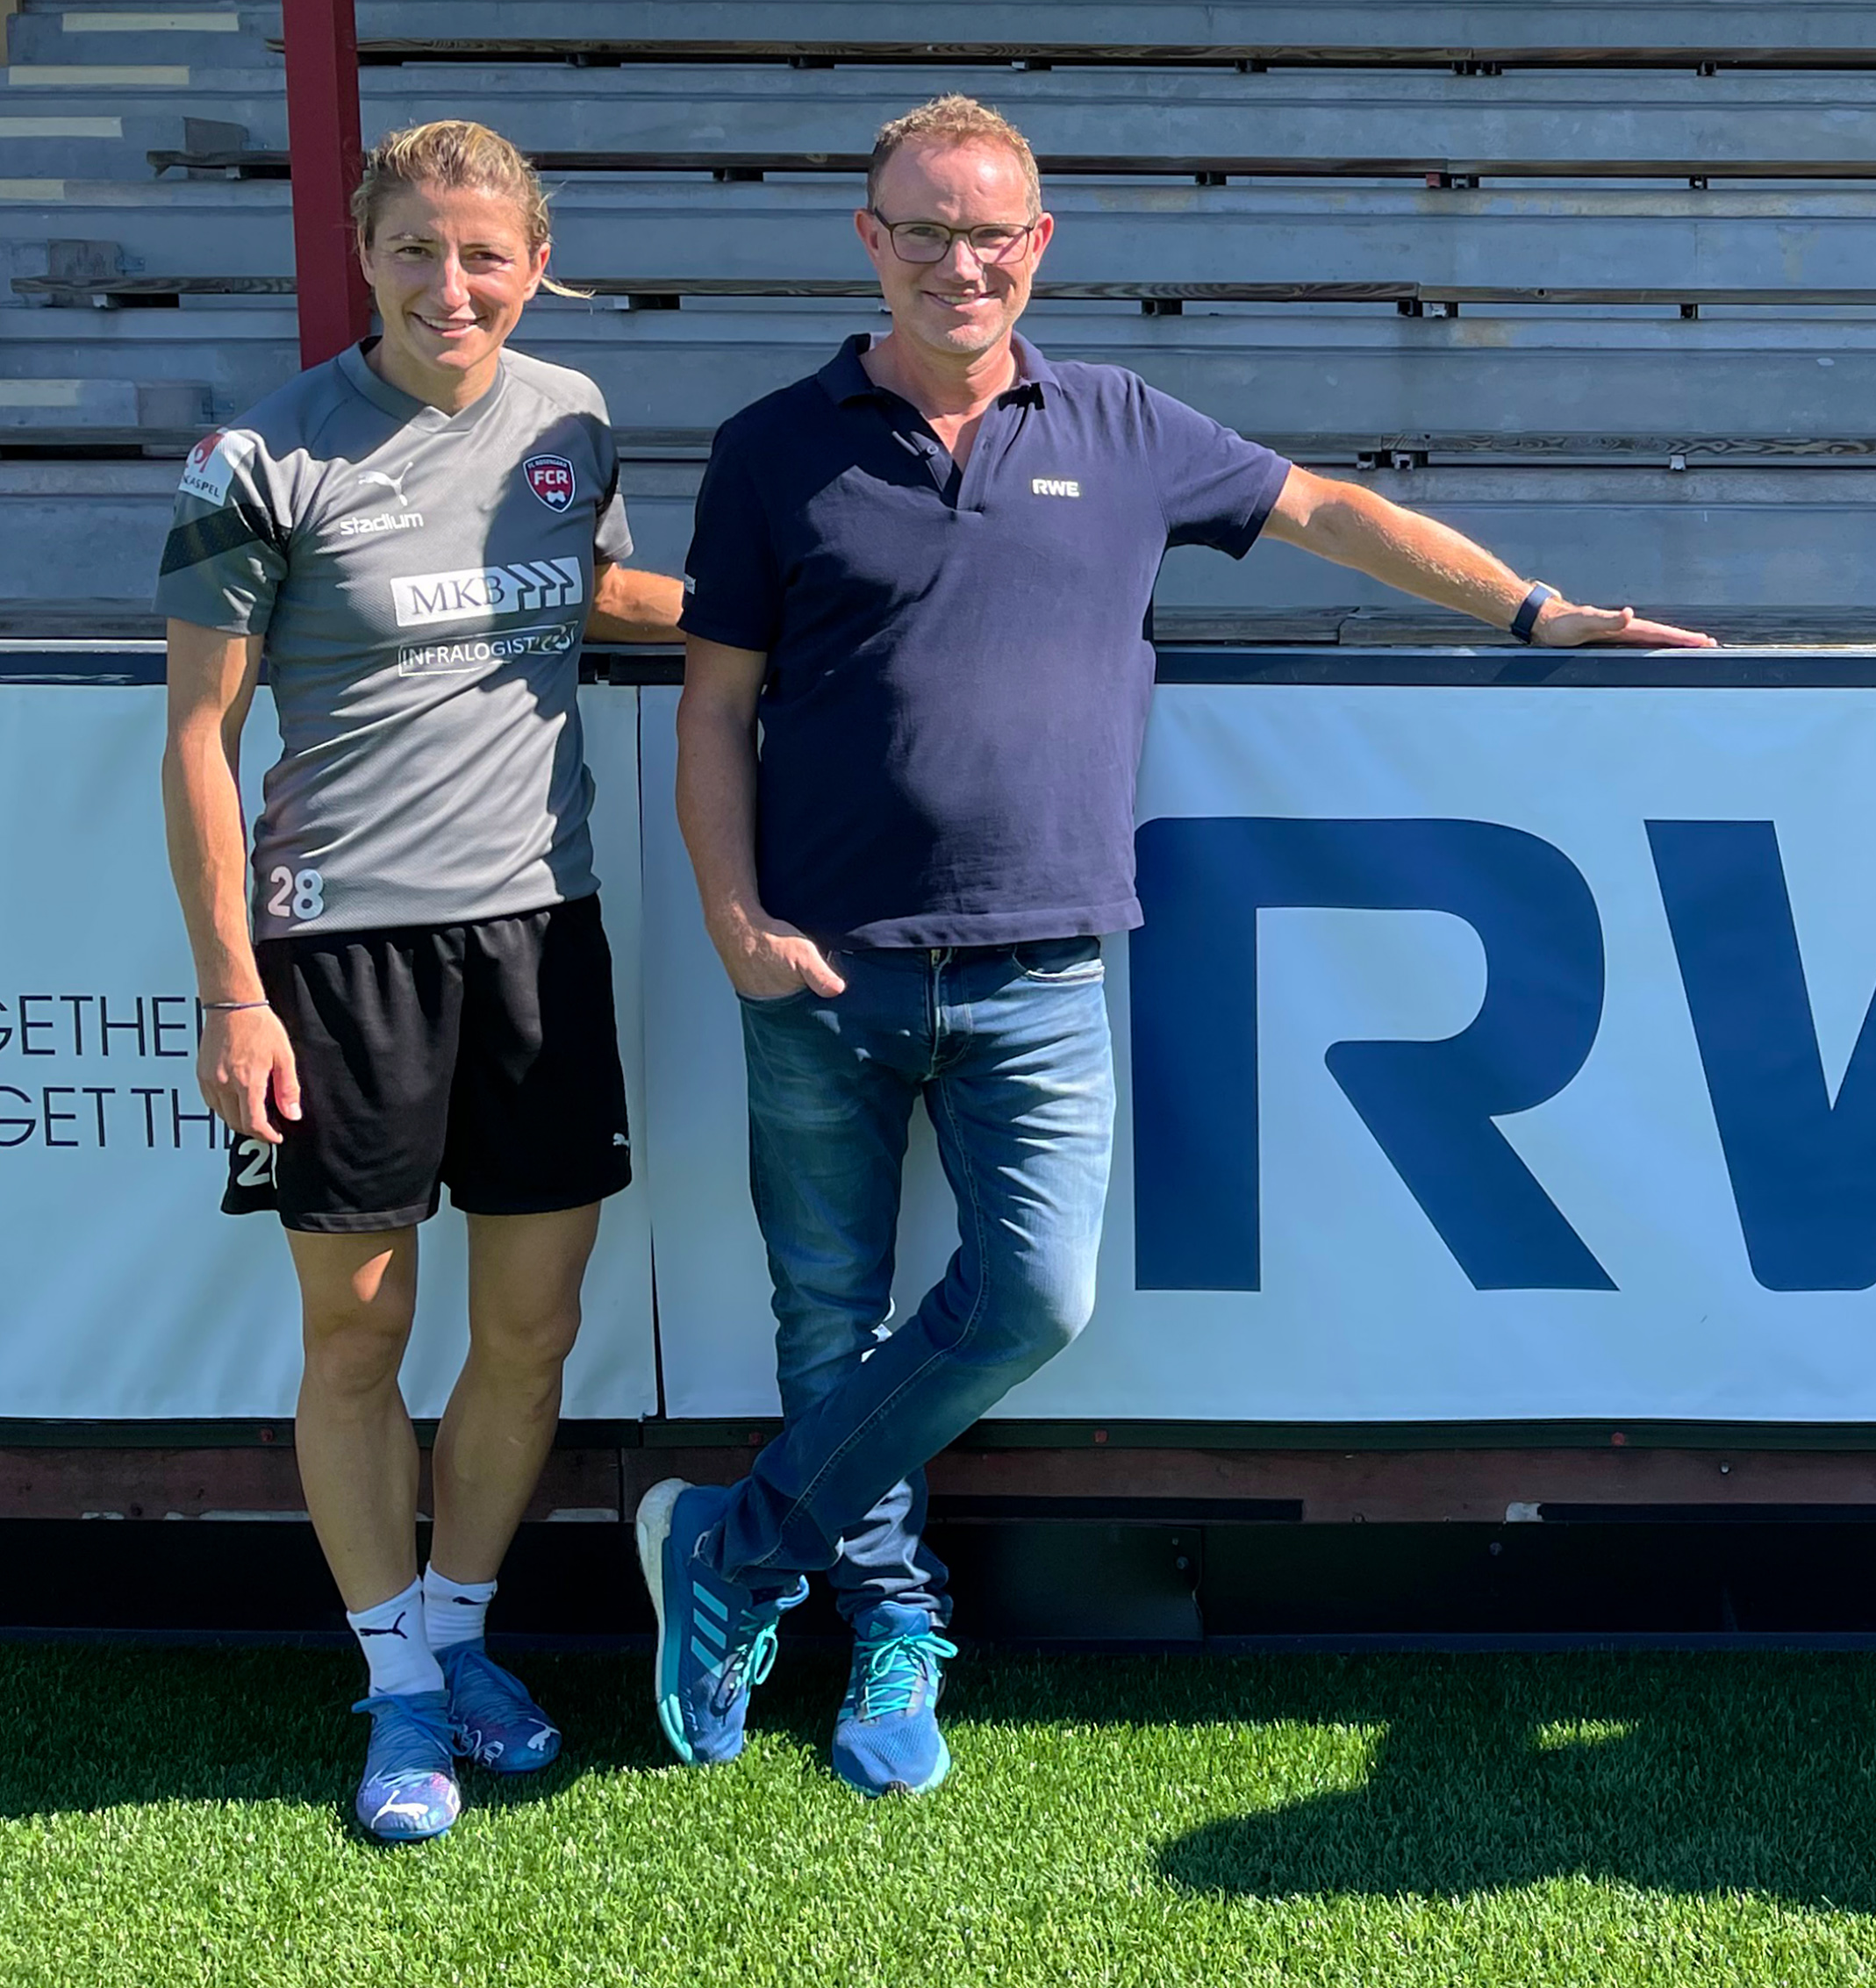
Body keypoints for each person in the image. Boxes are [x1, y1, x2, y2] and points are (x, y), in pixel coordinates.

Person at [640, 93, 1713, 1797]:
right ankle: (889, 1627)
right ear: (870, 238)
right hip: (821, 972)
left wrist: (1524, 604)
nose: (958, 261)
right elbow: (715, 711)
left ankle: (737, 1542)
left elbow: (1332, 512)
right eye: (922, 227)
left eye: (990, 230)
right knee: (825, 1321)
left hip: (1042, 967)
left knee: (1032, 1300)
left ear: (1038, 243)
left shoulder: (1122, 423)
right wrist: (731, 912)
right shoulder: (776, 443)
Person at [156, 121, 683, 1842]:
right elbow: (198, 739)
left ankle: (459, 1633)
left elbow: (596, 594)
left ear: (535, 261)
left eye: (483, 254)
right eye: (414, 250)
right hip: (335, 952)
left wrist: (831, 598)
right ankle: (388, 1679)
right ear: (362, 254)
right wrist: (235, 988)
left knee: (531, 1330)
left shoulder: (574, 420)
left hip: (543, 927)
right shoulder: (256, 455)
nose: (448, 284)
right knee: (358, 1333)